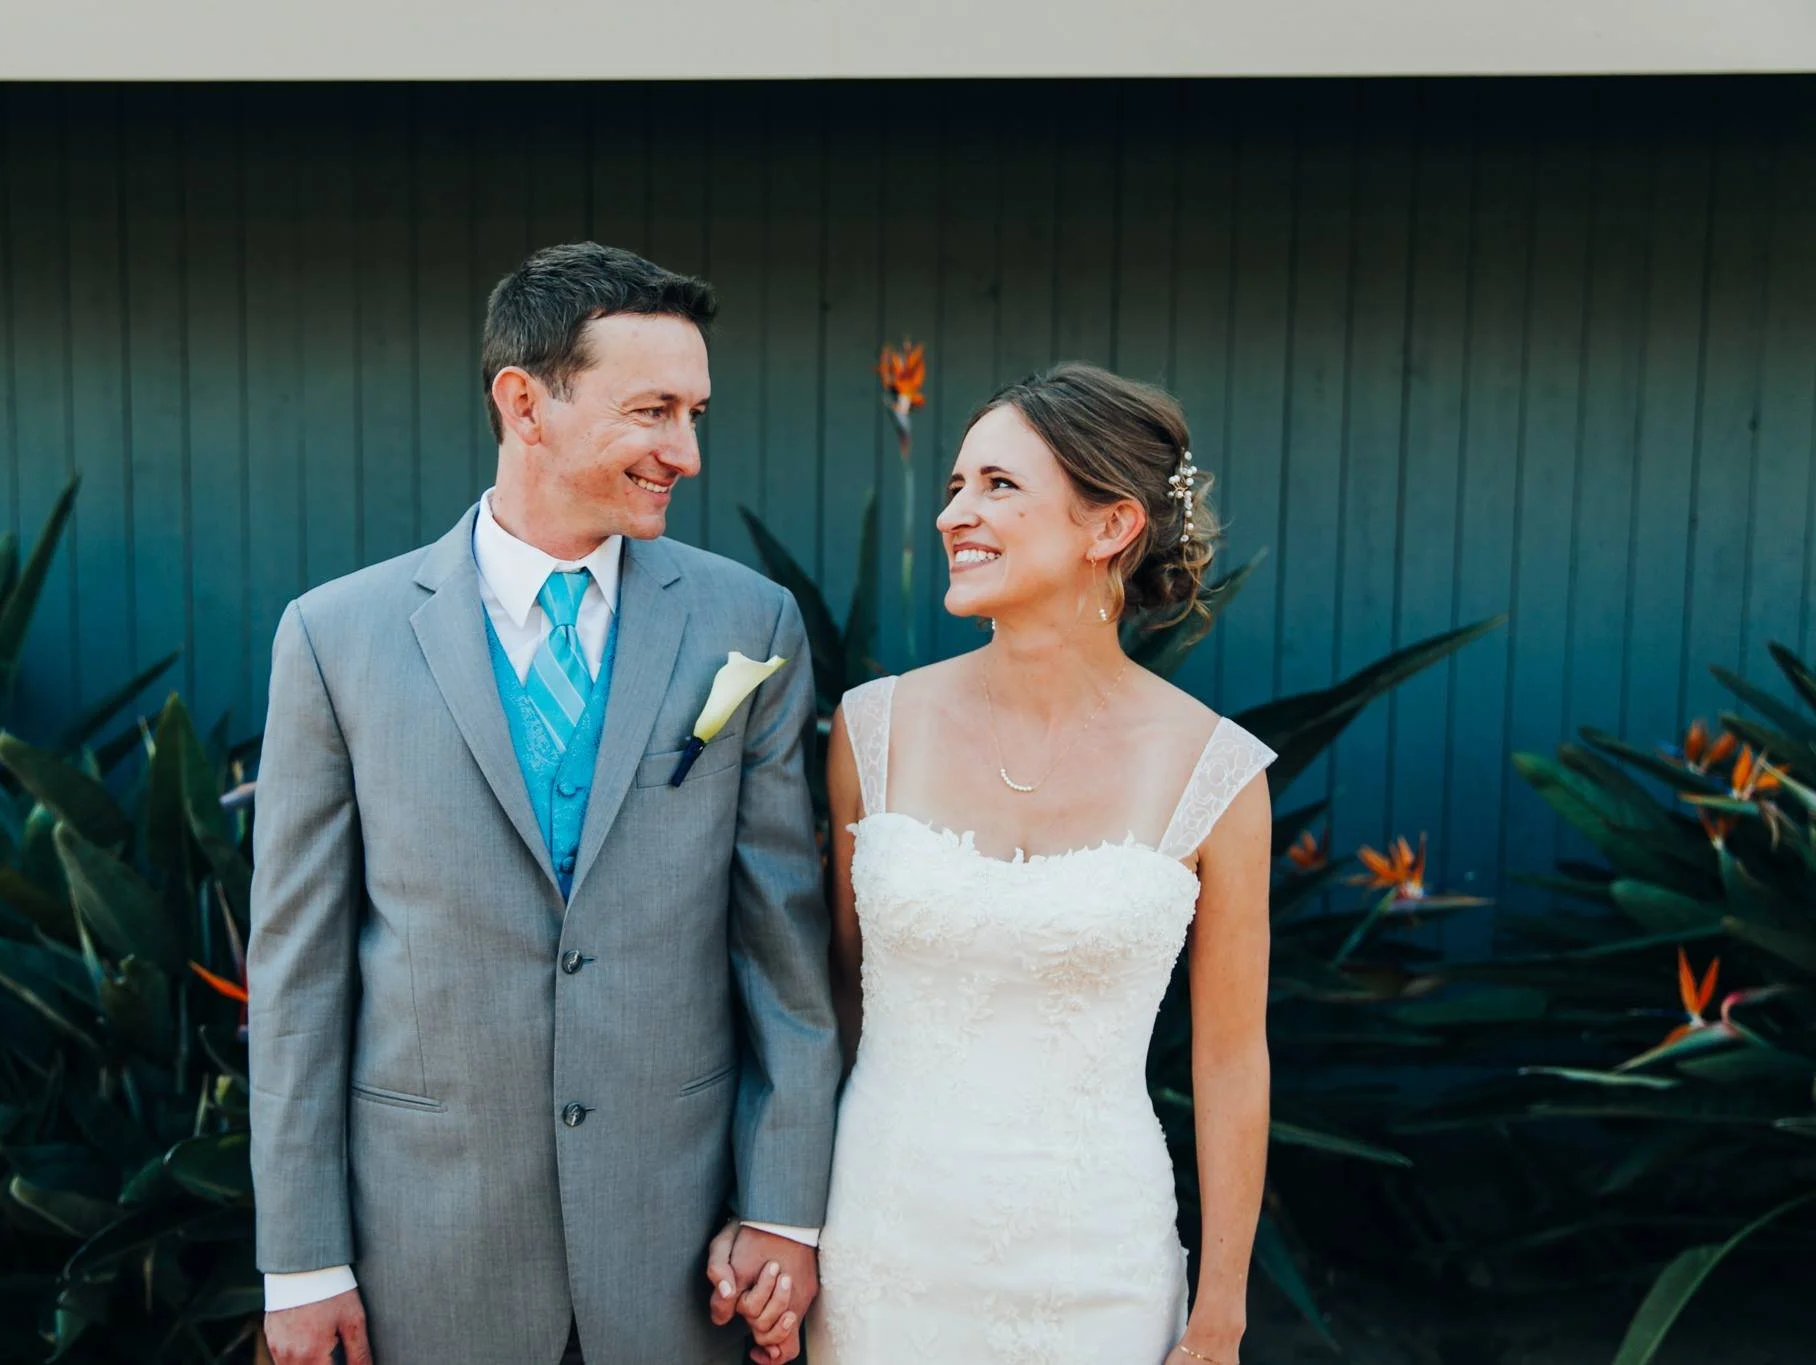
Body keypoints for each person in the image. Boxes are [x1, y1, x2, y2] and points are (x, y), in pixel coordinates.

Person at [249, 242, 839, 1365]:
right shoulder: (336, 639)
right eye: (652, 411)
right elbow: (297, 974)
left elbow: (782, 950)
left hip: (680, 1253)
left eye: (694, 411)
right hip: (425, 1251)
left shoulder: (747, 625)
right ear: (524, 403)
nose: (687, 453)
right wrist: (303, 1260)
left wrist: (783, 1206)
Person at [803, 363, 1275, 1365]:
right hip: (880, 1247)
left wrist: (1218, 1316)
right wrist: (783, 1228)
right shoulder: (871, 729)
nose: (953, 515)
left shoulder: (1216, 774)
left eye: (998, 486)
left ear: (1107, 527)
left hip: (1094, 1263)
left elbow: (1230, 1060)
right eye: (954, 487)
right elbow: (833, 1006)